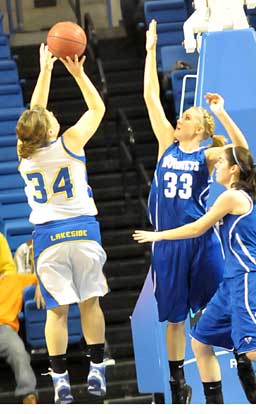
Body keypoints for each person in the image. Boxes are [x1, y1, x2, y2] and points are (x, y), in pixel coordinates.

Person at [142, 18, 256, 403]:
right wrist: (149, 52)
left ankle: (245, 361)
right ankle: (180, 384)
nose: (180, 119)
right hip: (170, 243)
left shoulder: (209, 156)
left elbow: (241, 154)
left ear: (201, 126)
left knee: (221, 305)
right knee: (176, 320)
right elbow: (148, 98)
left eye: (188, 117)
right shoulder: (166, 143)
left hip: (200, 238)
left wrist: (224, 113)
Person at [133, 146, 256, 404]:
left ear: (233, 169)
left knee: (254, 350)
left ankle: (244, 368)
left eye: (221, 163)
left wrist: (157, 235)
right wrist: (220, 113)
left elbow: (196, 228)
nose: (216, 166)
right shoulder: (235, 197)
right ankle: (215, 405)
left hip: (248, 278)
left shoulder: (233, 197)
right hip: (231, 282)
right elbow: (241, 150)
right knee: (201, 340)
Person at [16, 44, 108, 404]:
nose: (53, 114)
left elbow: (35, 113)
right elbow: (97, 108)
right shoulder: (69, 141)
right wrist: (77, 73)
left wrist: (44, 72)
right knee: (90, 304)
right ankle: (97, 369)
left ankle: (60, 381)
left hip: (48, 237)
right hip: (83, 230)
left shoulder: (25, 154)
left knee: (57, 313)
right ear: (51, 129)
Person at [0, 232, 43, 404]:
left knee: (18, 351)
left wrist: (40, 285)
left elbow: (39, 279)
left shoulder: (14, 279)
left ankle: (28, 394)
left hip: (4, 329)